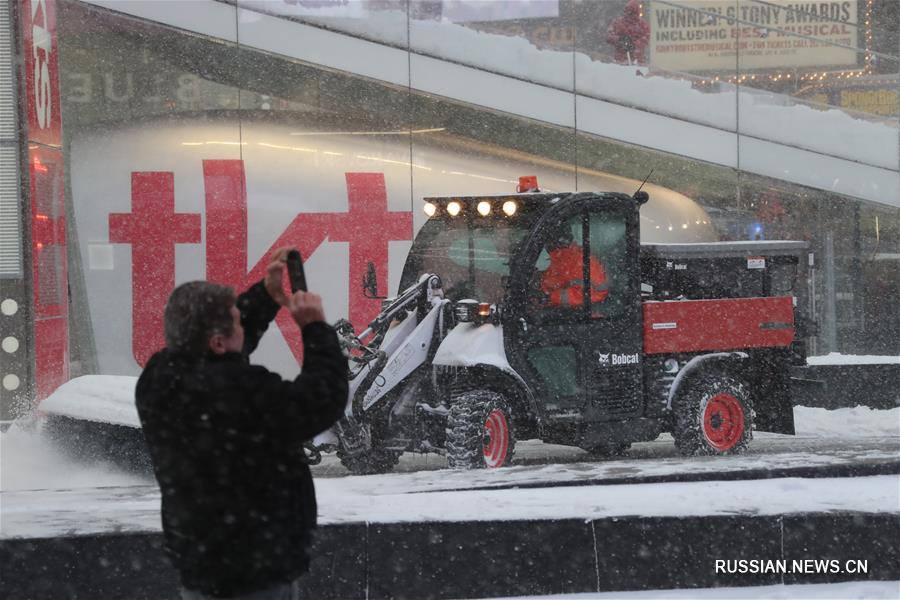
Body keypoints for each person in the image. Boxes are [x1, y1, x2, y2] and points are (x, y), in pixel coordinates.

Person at [135, 247, 348, 600]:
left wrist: (265, 297)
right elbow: (321, 400)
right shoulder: (242, 391)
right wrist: (315, 329)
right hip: (255, 571)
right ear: (218, 342)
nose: (241, 327)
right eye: (236, 320)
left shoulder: (158, 378)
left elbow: (221, 345)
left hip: (202, 565)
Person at [540, 225, 609, 309]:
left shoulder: (581, 260)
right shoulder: (560, 258)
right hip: (564, 311)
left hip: (584, 315)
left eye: (545, 240)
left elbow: (598, 294)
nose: (545, 246)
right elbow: (553, 282)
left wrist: (550, 297)